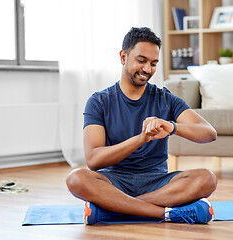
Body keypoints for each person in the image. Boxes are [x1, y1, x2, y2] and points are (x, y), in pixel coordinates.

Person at [66, 27, 218, 225]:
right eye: (141, 60)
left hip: (158, 183)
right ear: (123, 57)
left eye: (153, 63)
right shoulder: (99, 101)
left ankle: (114, 210)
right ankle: (167, 213)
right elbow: (94, 160)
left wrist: (172, 127)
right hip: (114, 181)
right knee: (76, 179)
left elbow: (209, 133)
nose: (147, 69)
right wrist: (141, 138)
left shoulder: (165, 99)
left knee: (208, 179)